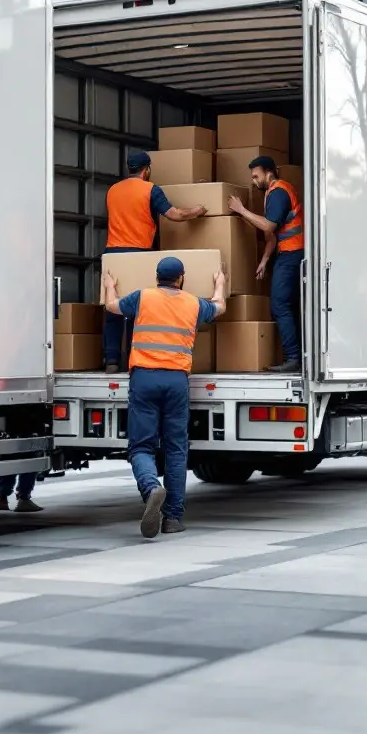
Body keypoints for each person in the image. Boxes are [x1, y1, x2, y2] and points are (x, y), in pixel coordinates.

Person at [103, 257, 226, 538]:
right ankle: (172, 517)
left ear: (156, 276)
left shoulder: (142, 297)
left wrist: (110, 286)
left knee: (141, 447)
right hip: (176, 381)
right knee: (176, 449)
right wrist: (219, 284)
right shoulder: (193, 303)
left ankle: (150, 488)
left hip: (144, 378)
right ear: (181, 278)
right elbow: (220, 307)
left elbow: (112, 307)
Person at [103, 150, 208, 373]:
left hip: (112, 253)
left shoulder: (112, 190)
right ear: (147, 169)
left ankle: (111, 360)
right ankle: (133, 357)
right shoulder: (151, 190)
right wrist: (197, 211)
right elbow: (174, 215)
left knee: (112, 307)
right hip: (138, 252)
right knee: (136, 308)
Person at [227, 155, 303, 374]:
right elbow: (274, 234)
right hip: (287, 253)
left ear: (268, 173)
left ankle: (293, 358)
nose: (253, 181)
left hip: (292, 254)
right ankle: (296, 356)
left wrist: (241, 210)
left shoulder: (279, 192)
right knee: (287, 305)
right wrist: (265, 259)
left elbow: (268, 226)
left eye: (255, 176)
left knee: (279, 305)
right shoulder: (272, 193)